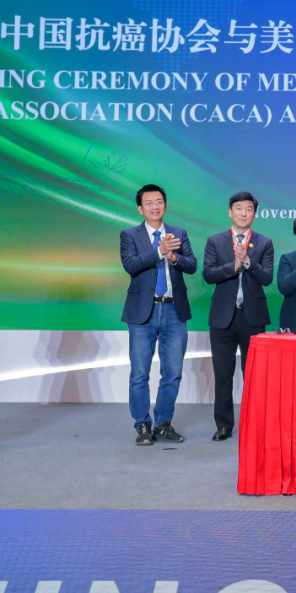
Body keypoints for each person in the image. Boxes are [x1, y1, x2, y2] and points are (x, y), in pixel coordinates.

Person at [120, 184, 197, 446]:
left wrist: (173, 257)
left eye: (159, 201)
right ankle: (143, 425)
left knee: (173, 372)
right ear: (140, 209)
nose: (155, 206)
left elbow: (192, 265)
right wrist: (158, 252)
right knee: (139, 373)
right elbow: (130, 265)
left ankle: (163, 423)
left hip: (174, 310)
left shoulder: (179, 233)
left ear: (165, 205)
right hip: (143, 311)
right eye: (149, 203)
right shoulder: (129, 235)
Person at [203, 192, 274, 441]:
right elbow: (208, 274)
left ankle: (254, 424)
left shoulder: (264, 242)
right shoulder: (215, 241)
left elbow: (267, 277)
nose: (244, 213)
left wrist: (247, 262)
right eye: (239, 208)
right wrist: (234, 265)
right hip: (222, 317)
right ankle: (224, 425)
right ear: (230, 212)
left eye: (249, 209)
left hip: (252, 317)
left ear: (255, 214)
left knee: (254, 375)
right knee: (223, 374)